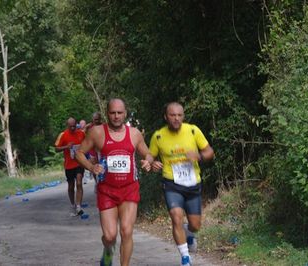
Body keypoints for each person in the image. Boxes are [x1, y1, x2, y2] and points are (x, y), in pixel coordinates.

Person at [75, 98, 153, 266]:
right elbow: (79, 153)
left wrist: (148, 161)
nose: (116, 116)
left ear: (125, 113)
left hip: (129, 189)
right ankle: (108, 252)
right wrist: (91, 166)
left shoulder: (135, 133)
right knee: (110, 236)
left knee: (126, 231)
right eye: (112, 113)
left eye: (120, 112)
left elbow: (148, 153)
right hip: (107, 190)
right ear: (107, 113)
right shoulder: (97, 132)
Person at [149, 102, 214, 266]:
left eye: (179, 115)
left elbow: (209, 152)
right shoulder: (158, 136)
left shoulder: (193, 130)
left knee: (195, 225)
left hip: (193, 183)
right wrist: (150, 163)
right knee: (176, 218)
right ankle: (185, 258)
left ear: (183, 116)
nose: (176, 118)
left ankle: (190, 233)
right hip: (172, 183)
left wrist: (199, 156)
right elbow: (150, 155)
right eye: (172, 115)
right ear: (166, 117)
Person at [55, 117, 86, 216]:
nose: (73, 128)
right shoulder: (63, 135)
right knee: (71, 186)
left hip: (79, 163)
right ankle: (73, 204)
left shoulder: (81, 133)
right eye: (70, 126)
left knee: (79, 183)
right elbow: (56, 148)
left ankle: (78, 206)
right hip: (69, 165)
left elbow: (87, 144)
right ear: (67, 125)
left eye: (74, 126)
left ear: (76, 124)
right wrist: (66, 147)